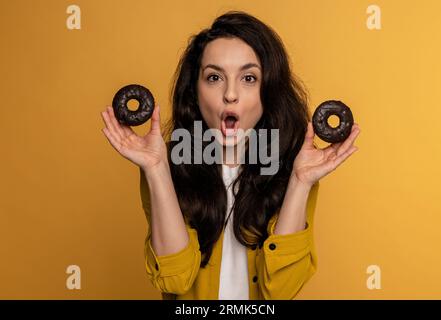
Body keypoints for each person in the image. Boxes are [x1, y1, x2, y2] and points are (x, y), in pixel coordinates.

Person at [100, 11, 360, 300]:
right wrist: (157, 169)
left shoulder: (293, 168)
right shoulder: (169, 167)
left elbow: (281, 291)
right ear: (195, 92)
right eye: (214, 77)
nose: (231, 94)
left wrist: (300, 181)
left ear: (268, 90)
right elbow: (174, 281)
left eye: (249, 77)